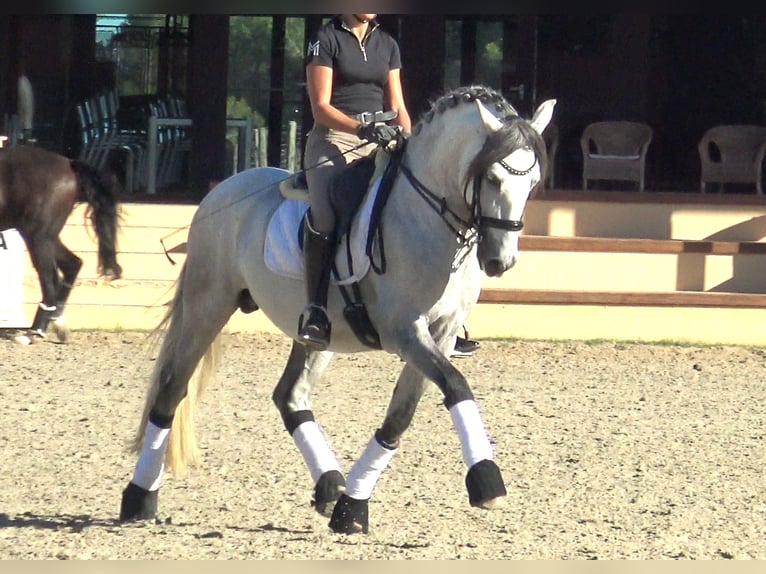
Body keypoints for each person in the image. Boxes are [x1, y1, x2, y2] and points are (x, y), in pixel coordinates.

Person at [298, 13, 411, 350]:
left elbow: (398, 105)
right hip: (334, 140)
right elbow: (320, 107)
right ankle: (316, 310)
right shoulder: (325, 39)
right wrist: (362, 128)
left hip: (382, 139)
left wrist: (409, 140)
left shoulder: (387, 43)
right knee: (327, 215)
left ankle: (445, 314)